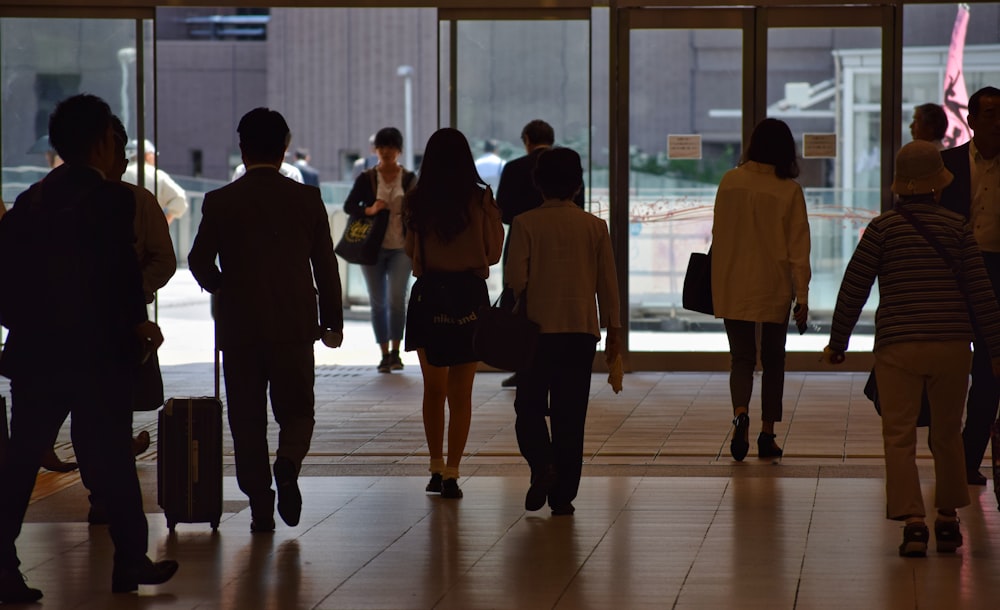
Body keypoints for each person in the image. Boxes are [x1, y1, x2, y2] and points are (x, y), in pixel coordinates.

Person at [0, 94, 177, 603]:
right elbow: (119, 274)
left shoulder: (31, 200)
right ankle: (130, 562)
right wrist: (138, 323)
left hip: (37, 355)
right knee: (111, 459)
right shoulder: (114, 200)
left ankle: (4, 564)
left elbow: (6, 277)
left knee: (22, 459)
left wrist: (24, 326)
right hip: (99, 353)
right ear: (103, 141)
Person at [824, 140, 1000, 557]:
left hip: (898, 345)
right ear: (937, 186)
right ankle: (947, 518)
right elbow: (981, 293)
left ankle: (914, 524)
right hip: (952, 344)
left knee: (899, 436)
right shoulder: (958, 229)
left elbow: (855, 286)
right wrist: (995, 348)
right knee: (947, 435)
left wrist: (838, 340)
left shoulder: (883, 229)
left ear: (900, 186)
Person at [189, 107, 345, 533]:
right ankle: (289, 463)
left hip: (240, 328)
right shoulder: (307, 199)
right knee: (297, 410)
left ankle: (260, 504)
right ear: (285, 147)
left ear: (242, 148)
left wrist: (225, 286)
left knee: (246, 418)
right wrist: (332, 321)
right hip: (295, 323)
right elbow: (325, 267)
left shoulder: (220, 201)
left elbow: (198, 261)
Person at [505, 147, 622, 516]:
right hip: (580, 332)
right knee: (571, 415)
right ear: (577, 184)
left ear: (538, 182)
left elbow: (515, 281)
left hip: (535, 333)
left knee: (528, 407)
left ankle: (542, 464)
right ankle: (563, 497)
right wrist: (614, 330)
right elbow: (608, 284)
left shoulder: (525, 224)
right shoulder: (594, 226)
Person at [403, 127, 504, 499]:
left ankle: (433, 466)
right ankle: (452, 473)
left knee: (433, 389)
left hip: (429, 295)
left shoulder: (415, 201)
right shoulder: (481, 200)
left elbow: (410, 249)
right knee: (461, 393)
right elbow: (493, 253)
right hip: (468, 295)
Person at [711, 118, 811, 462]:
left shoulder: (730, 181)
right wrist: (804, 296)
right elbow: (799, 249)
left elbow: (719, 233)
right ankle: (767, 434)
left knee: (740, 357)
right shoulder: (789, 191)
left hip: (733, 280)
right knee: (773, 360)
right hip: (773, 284)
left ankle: (741, 412)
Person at [939, 85, 1000, 486]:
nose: (997, 121)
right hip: (954, 273)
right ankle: (952, 455)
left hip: (997, 273)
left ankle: (967, 458)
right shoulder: (948, 165)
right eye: (990, 113)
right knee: (948, 366)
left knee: (990, 370)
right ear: (972, 121)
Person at [496, 119, 586, 389]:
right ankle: (558, 363)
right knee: (558, 296)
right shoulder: (569, 165)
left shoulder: (513, 168)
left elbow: (504, 211)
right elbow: (577, 205)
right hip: (564, 241)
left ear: (526, 140)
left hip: (522, 240)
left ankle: (522, 362)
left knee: (520, 302)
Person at [343, 127, 416, 373]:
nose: (386, 152)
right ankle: (384, 353)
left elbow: (419, 209)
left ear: (399, 150)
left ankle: (396, 351)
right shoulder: (367, 177)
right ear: (376, 150)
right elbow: (349, 205)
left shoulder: (408, 178)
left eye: (391, 147)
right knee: (378, 302)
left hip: (401, 247)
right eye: (382, 147)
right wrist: (370, 210)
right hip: (371, 247)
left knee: (396, 299)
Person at [123, 139, 189, 225]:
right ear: (148, 155)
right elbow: (180, 199)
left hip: (121, 227)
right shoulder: (157, 175)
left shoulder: (120, 172)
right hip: (148, 228)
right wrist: (163, 224)